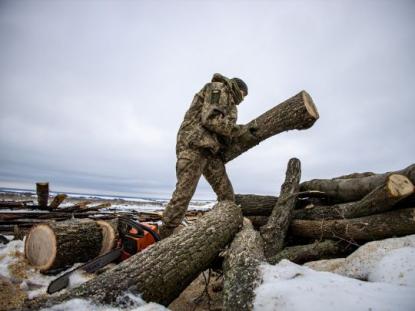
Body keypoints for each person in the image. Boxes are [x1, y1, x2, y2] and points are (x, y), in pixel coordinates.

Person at [160, 73, 255, 238]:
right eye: (243, 95)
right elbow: (210, 119)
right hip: (195, 147)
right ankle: (164, 236)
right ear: (238, 89)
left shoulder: (229, 101)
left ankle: (224, 229)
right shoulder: (218, 89)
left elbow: (220, 130)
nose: (243, 100)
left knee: (226, 194)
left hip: (210, 151)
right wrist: (239, 130)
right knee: (184, 194)